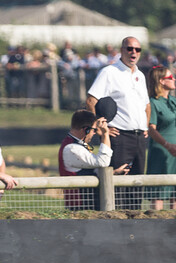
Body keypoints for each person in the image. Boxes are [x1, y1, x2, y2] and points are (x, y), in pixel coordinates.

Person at [86, 36, 151, 210]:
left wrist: (146, 126)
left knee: (137, 184)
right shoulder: (109, 72)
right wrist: (100, 129)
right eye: (130, 49)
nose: (133, 53)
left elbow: (146, 104)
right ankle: (114, 223)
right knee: (117, 184)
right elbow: (91, 100)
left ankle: (135, 225)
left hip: (139, 137)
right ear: (122, 50)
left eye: (137, 50)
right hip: (120, 136)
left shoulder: (140, 75)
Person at [58, 109, 126, 211]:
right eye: (94, 130)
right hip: (80, 206)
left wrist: (114, 172)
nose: (95, 133)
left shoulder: (75, 145)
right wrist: (105, 134)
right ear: (86, 130)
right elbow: (103, 162)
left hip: (86, 203)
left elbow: (91, 168)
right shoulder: (72, 148)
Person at [145, 66, 176, 210]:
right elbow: (151, 129)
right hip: (162, 151)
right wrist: (167, 145)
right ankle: (155, 228)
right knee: (159, 194)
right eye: (170, 78)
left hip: (174, 153)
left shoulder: (173, 100)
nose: (174, 79)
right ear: (161, 81)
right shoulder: (153, 102)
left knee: (174, 195)